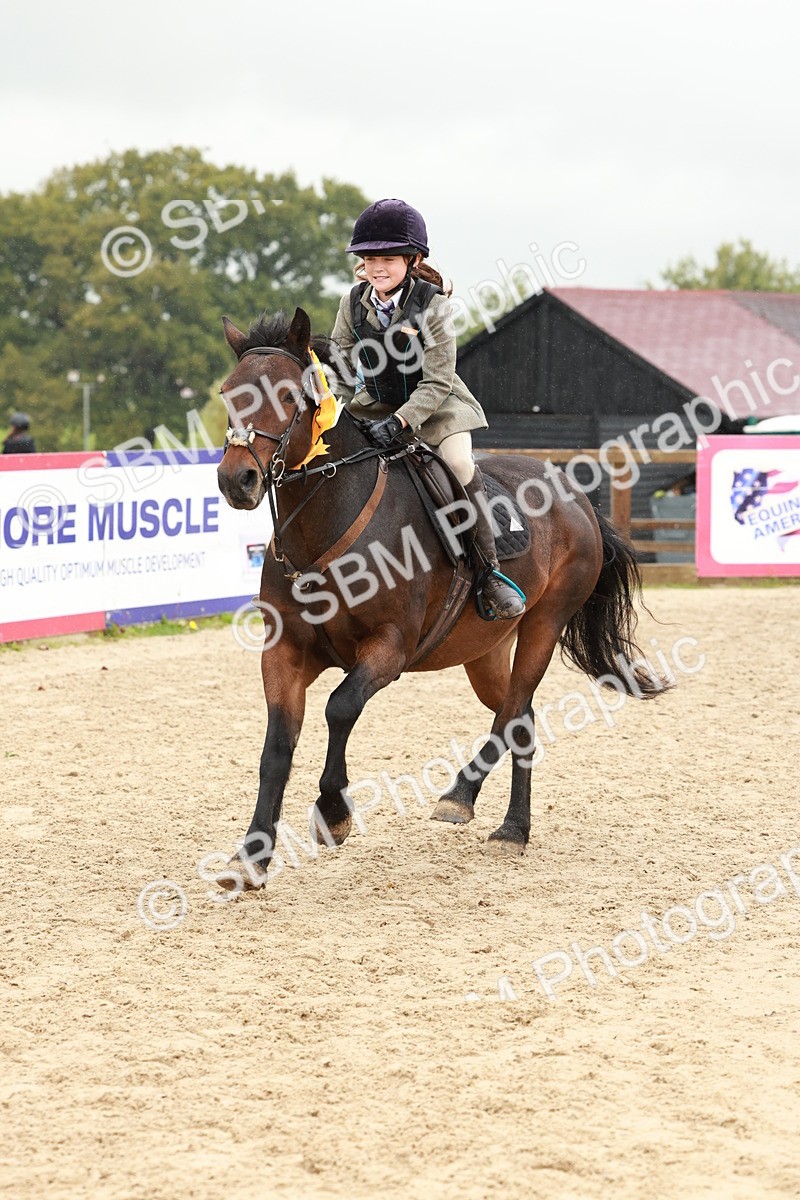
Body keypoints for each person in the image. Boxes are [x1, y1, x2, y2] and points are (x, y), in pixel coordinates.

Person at [331, 198, 525, 620]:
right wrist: (339, 407)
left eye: (386, 258)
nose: (375, 267)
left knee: (456, 463)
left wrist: (401, 421)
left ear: (412, 258)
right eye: (368, 258)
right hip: (376, 404)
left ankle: (489, 572)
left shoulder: (433, 306)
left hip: (437, 407)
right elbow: (343, 367)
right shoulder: (352, 303)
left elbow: (437, 379)